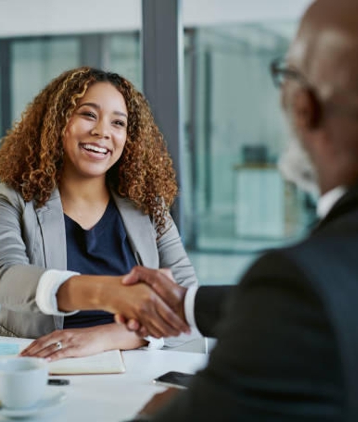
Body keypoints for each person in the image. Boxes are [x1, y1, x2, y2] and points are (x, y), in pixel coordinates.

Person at [96, 0, 358, 419]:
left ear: (304, 107)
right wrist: (186, 304)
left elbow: (300, 307)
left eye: (117, 122)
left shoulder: (301, 285)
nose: (102, 133)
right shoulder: (314, 285)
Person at [0, 67, 198, 361]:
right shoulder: (10, 202)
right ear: (57, 122)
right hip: (36, 364)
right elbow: (6, 279)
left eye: (118, 122)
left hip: (130, 367)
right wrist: (108, 293)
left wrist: (102, 337)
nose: (102, 132)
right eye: (88, 115)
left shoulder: (148, 207)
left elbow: (186, 304)